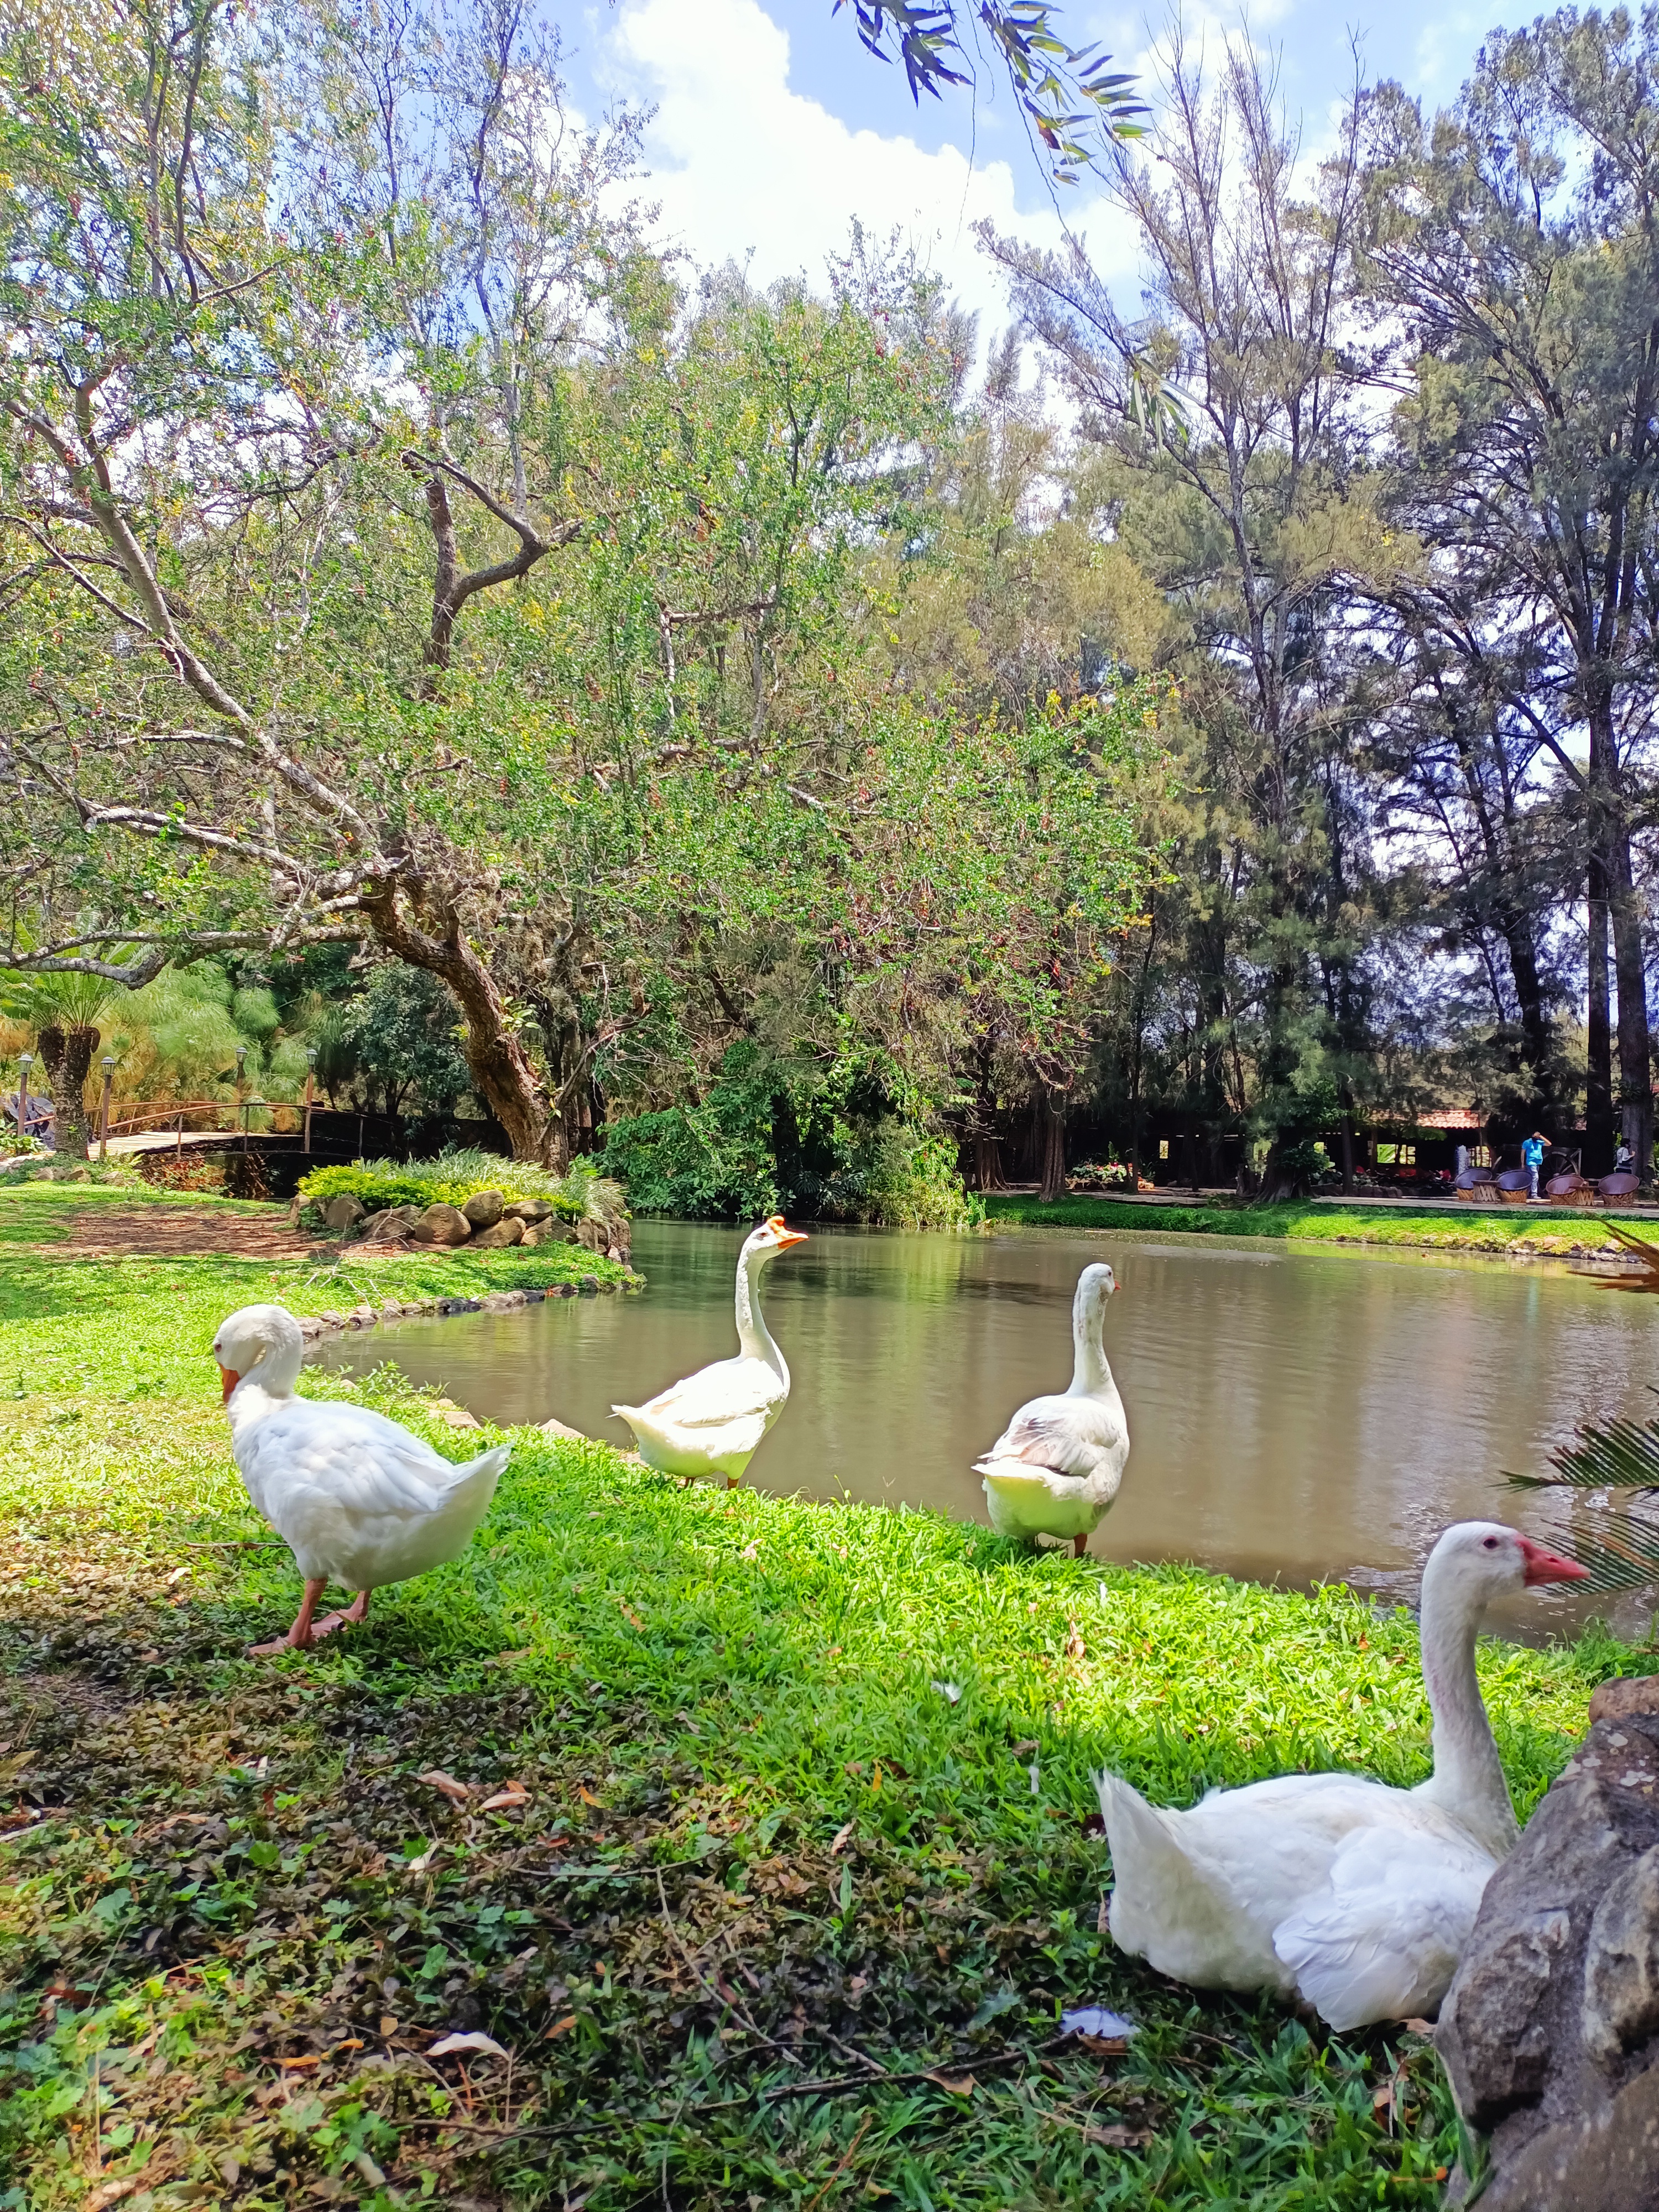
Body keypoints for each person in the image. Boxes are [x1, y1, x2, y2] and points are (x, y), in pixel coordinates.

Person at [1522, 1130, 1546, 1201]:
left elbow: (1549, 1144)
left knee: (1533, 1178)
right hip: (1531, 1162)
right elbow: (1523, 1153)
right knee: (1535, 1177)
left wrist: (1541, 1136)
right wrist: (1523, 1164)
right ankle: (1534, 1194)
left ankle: (1528, 1193)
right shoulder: (1527, 1142)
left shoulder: (1539, 1142)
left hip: (1538, 1162)